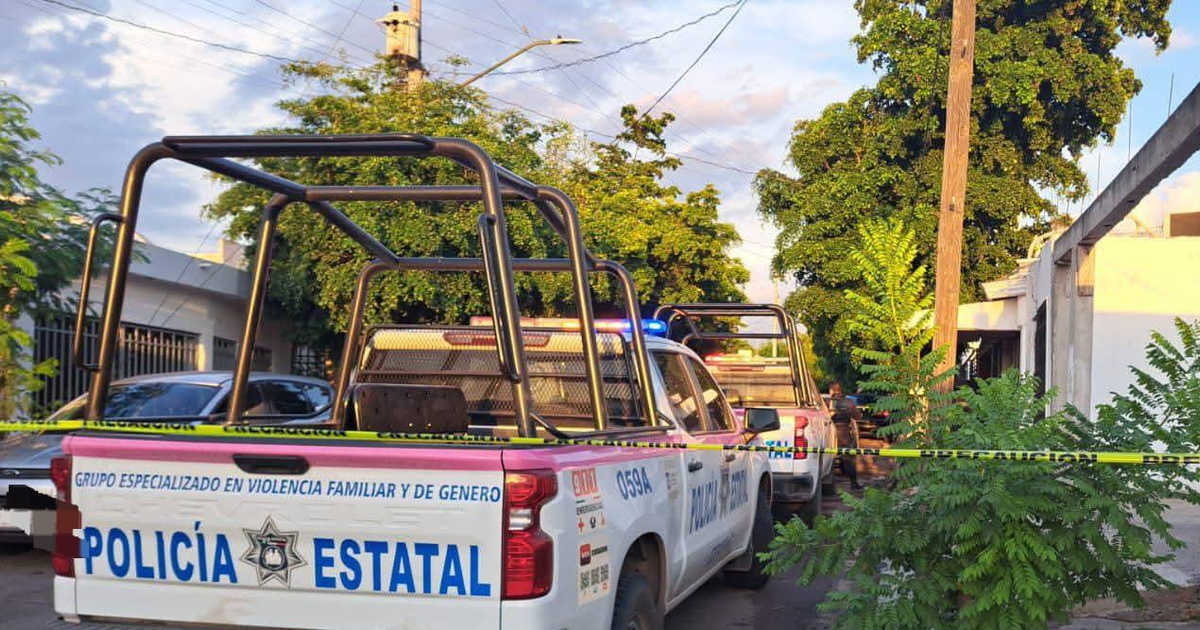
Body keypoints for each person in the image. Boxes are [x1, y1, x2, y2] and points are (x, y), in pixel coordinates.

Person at [829, 382, 863, 490]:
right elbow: (858, 416)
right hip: (844, 434)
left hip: (829, 433)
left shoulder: (825, 402)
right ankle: (853, 483)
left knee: (826, 457)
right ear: (840, 390)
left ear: (831, 391)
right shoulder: (848, 402)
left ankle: (829, 485)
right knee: (849, 458)